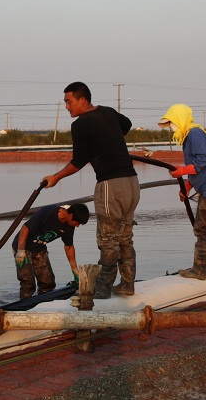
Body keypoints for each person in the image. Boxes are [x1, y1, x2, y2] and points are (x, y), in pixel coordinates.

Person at [42, 82, 140, 298]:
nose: (67, 107)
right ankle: (127, 285)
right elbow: (127, 124)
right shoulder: (108, 112)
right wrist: (109, 139)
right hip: (132, 183)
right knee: (125, 236)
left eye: (69, 102)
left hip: (111, 185)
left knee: (108, 238)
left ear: (82, 100)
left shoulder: (80, 124)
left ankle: (102, 290)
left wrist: (56, 177)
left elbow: (78, 161)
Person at [159, 103, 206, 280]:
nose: (171, 127)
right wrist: (187, 186)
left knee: (203, 231)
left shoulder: (194, 134)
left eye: (172, 122)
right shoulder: (191, 135)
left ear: (180, 119)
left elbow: (203, 160)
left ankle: (200, 270)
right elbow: (200, 168)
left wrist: (181, 171)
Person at [12, 203, 90, 300]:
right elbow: (25, 228)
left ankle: (44, 302)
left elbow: (69, 247)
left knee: (47, 282)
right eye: (77, 223)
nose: (77, 226)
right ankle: (25, 303)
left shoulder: (69, 226)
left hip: (39, 248)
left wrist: (74, 270)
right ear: (70, 215)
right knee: (28, 283)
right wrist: (20, 251)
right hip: (23, 246)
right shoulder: (49, 212)